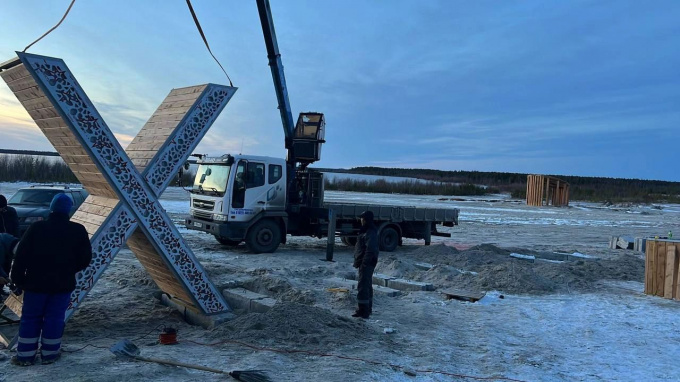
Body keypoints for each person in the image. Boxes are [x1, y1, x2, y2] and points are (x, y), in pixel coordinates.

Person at [10, 194, 92, 366]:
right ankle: (50, 354)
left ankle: (25, 356)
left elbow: (21, 256)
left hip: (35, 284)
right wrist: (70, 269)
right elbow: (85, 258)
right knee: (55, 318)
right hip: (63, 284)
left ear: (51, 208)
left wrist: (18, 279)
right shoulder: (77, 230)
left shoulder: (36, 228)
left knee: (31, 318)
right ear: (68, 210)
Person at [352, 210, 379, 319]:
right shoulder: (366, 230)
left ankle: (363, 311)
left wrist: (364, 262)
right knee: (367, 284)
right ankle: (367, 308)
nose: (361, 220)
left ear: (366, 220)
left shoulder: (370, 232)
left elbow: (370, 249)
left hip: (367, 263)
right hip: (365, 262)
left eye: (362, 218)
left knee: (363, 286)